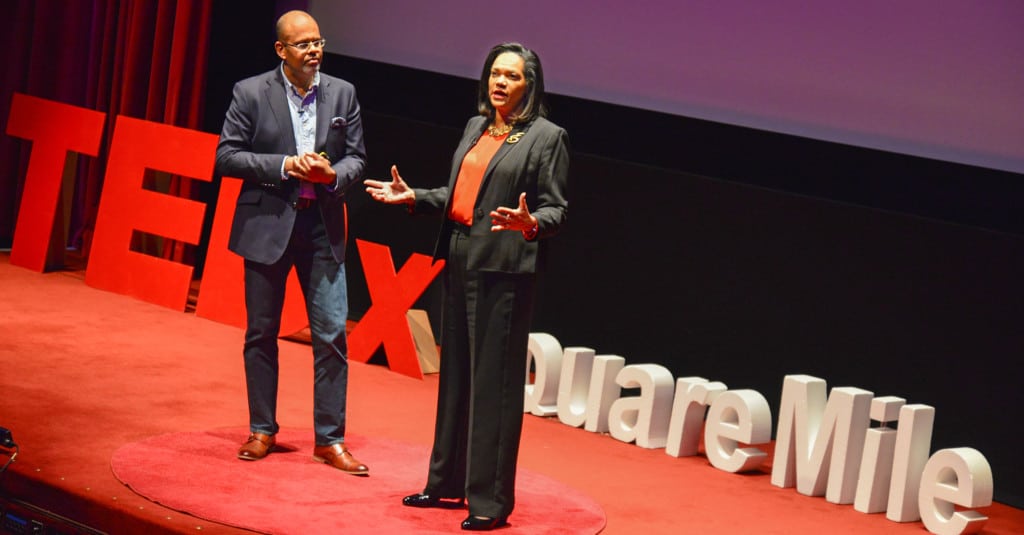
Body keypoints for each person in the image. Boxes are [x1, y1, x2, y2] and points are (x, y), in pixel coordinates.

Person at [365, 42, 569, 531]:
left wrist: (530, 223)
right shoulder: (477, 127)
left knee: (493, 388)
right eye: (495, 73)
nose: (500, 82)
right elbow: (464, 197)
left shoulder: (547, 138)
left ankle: (490, 503)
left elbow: (555, 209)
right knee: (455, 377)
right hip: (459, 257)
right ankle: (445, 484)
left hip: (502, 269)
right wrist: (414, 195)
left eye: (511, 76)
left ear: (530, 85)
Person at [214, 10, 369, 476]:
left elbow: (358, 158)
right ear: (281, 50)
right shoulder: (249, 92)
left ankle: (331, 439)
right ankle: (262, 429)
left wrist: (332, 174)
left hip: (322, 227)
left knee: (332, 335)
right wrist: (283, 166)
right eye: (304, 44)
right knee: (261, 333)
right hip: (268, 224)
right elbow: (227, 155)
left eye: (318, 42)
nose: (315, 50)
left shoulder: (343, 92)